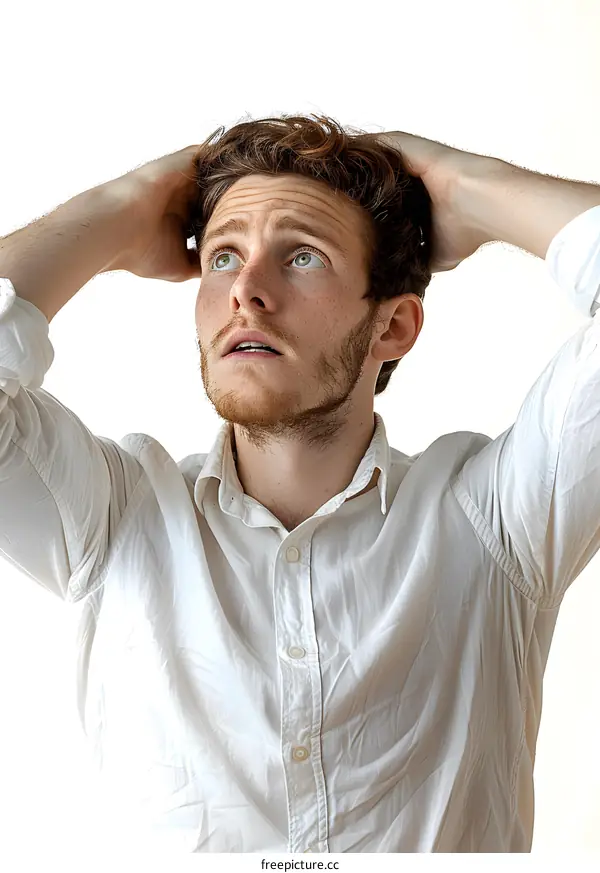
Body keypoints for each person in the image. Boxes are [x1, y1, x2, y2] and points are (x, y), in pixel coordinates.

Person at [0, 113, 599, 853]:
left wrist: (470, 186)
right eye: (222, 257)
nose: (246, 291)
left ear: (394, 327)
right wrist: (115, 211)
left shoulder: (496, 519)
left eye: (303, 257)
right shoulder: (117, 520)